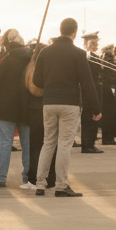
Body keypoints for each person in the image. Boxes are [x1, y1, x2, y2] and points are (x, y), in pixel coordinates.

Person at [30, 18, 101, 198]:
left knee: (48, 142)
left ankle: (40, 183)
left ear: (60, 30)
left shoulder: (45, 52)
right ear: (74, 32)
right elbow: (87, 83)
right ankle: (61, 185)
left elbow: (37, 80)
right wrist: (96, 107)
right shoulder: (78, 53)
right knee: (64, 144)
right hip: (69, 103)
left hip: (49, 102)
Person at [0, 29, 31, 188]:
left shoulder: (6, 60)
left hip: (7, 107)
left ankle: (0, 177)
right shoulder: (31, 58)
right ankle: (29, 177)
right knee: (28, 144)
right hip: (27, 107)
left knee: (4, 144)